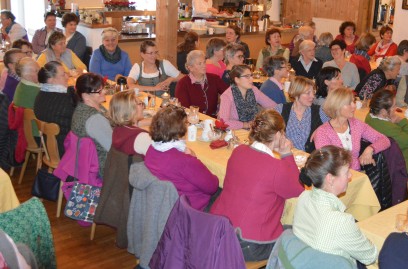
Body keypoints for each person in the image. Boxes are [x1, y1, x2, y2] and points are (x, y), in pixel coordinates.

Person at [211, 109, 303, 261]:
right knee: (301, 234)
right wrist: (286, 154)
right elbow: (296, 190)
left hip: (219, 231)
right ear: (279, 134)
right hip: (248, 243)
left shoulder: (239, 151)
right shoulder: (276, 167)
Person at [294, 145, 377, 267]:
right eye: (346, 172)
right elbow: (370, 256)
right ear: (330, 179)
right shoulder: (340, 221)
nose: (350, 176)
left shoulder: (303, 198)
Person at [145, 105, 218, 211]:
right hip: (190, 209)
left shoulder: (152, 149)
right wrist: (194, 157)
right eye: (185, 123)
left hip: (164, 205)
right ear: (179, 129)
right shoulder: (184, 160)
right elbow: (212, 186)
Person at [314, 88, 390, 171]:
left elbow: (385, 140)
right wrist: (358, 162)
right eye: (349, 103)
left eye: (353, 102)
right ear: (337, 106)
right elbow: (329, 163)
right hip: (336, 179)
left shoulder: (356, 124)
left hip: (357, 176)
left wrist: (370, 149)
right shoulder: (322, 132)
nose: (354, 106)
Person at [71, 73, 112, 178]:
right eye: (99, 91)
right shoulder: (94, 119)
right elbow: (114, 147)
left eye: (103, 88)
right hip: (102, 167)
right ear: (86, 96)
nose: (105, 92)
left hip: (86, 164)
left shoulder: (82, 108)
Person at [34, 61, 78, 157]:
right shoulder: (63, 101)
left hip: (51, 149)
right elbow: (79, 124)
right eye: (63, 75)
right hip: (66, 151)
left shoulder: (41, 94)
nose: (67, 77)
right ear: (50, 80)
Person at [218, 65, 276, 130]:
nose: (252, 79)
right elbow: (224, 123)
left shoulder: (253, 90)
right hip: (235, 132)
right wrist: (245, 125)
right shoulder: (227, 96)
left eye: (251, 75)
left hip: (254, 129)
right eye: (247, 76)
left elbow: (272, 105)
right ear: (237, 79)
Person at [275, 76, 322, 152]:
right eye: (308, 93)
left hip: (309, 160)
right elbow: (267, 128)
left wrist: (321, 129)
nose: (313, 96)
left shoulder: (319, 111)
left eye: (313, 92)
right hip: (286, 156)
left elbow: (337, 123)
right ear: (296, 94)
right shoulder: (280, 109)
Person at [175, 50, 228, 117]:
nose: (204, 66)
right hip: (192, 121)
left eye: (204, 62)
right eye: (200, 63)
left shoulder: (214, 79)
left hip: (212, 120)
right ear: (190, 68)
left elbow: (229, 94)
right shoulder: (183, 84)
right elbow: (183, 109)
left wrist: (223, 109)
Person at [109, 91, 151, 157]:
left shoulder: (118, 129)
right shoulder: (142, 137)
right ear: (131, 109)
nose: (143, 107)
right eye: (140, 104)